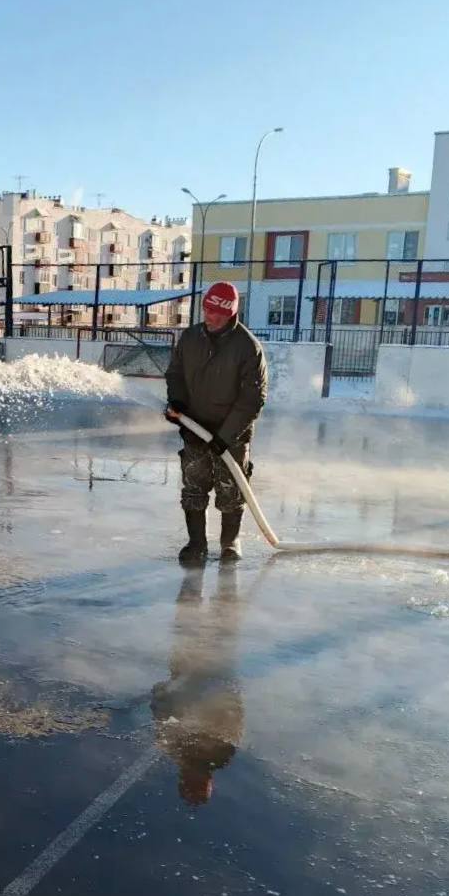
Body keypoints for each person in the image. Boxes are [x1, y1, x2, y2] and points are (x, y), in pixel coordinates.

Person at [164, 281, 268, 563]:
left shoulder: (247, 348)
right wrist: (178, 405)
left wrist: (226, 435)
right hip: (195, 427)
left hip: (231, 434)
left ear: (231, 314)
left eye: (217, 314)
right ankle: (196, 543)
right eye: (207, 311)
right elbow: (175, 374)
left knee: (231, 489)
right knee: (194, 486)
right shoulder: (190, 338)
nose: (210, 318)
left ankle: (229, 543)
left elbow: (252, 398)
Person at [151, 567, 244, 808]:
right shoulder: (220, 755)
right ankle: (207, 581)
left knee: (191, 624)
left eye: (191, 785)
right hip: (207, 674)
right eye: (197, 785)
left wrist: (162, 696)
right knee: (209, 624)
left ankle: (214, 580)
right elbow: (234, 716)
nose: (194, 779)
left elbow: (162, 716)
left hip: (198, 674)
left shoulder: (176, 752)